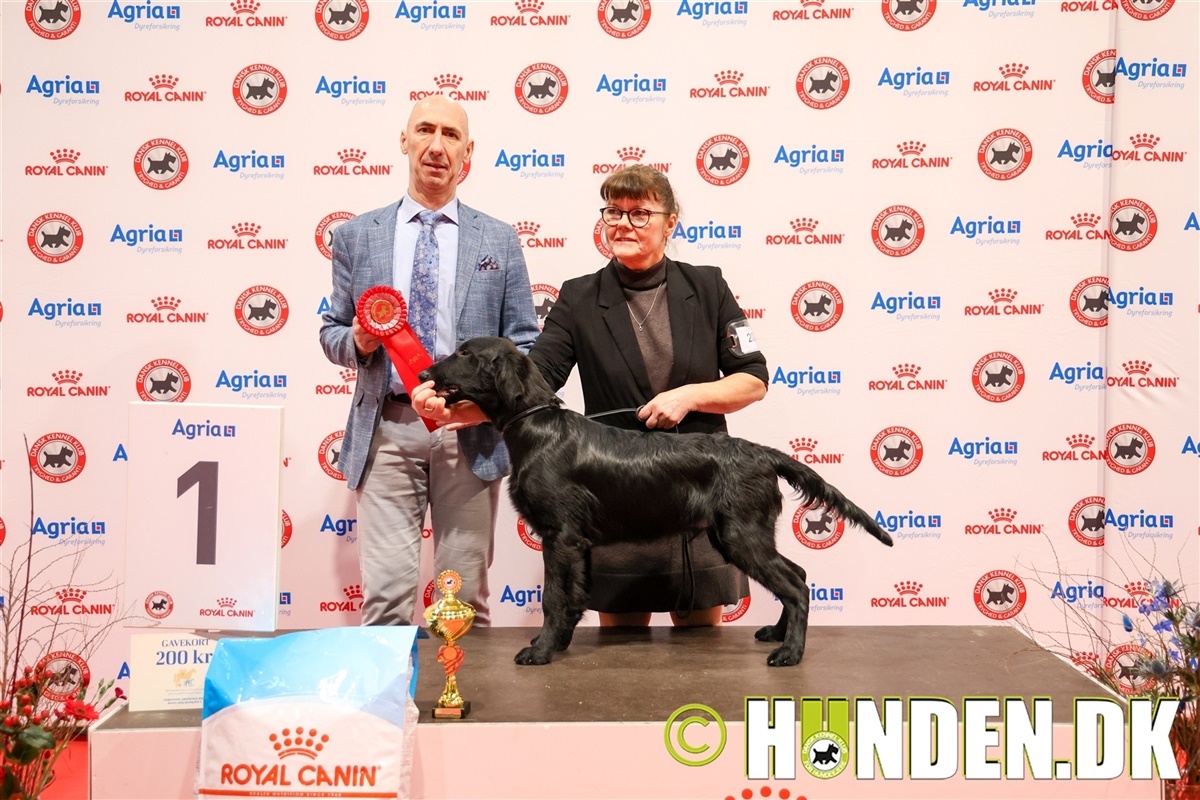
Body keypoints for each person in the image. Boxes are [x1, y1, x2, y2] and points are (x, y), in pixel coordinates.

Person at [319, 95, 540, 628]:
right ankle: (389, 689)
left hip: (471, 434)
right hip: (388, 430)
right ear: (404, 140)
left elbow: (524, 342)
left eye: (450, 135)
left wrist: (481, 409)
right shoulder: (356, 236)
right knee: (385, 602)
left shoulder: (499, 239)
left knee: (463, 604)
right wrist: (361, 341)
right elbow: (331, 333)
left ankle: (464, 688)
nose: (437, 146)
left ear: (468, 152)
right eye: (425, 130)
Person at [530, 164, 769, 627]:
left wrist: (690, 396)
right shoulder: (578, 297)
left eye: (640, 213)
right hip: (617, 500)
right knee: (620, 656)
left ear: (670, 222)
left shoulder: (708, 286)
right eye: (613, 212)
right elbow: (538, 377)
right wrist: (464, 395)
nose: (623, 223)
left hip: (698, 491)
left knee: (704, 652)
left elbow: (753, 379)